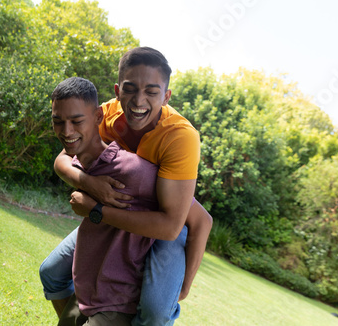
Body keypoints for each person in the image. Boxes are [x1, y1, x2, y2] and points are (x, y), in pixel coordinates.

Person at [40, 47, 213, 325]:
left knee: (156, 311)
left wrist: (184, 286)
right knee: (52, 271)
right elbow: (63, 158)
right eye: (130, 89)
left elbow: (186, 222)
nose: (138, 101)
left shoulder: (180, 137)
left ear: (166, 96)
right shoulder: (105, 116)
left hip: (165, 225)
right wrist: (90, 183)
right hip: (119, 211)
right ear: (118, 90)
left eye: (151, 92)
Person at [51, 76, 161, 325]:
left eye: (76, 121)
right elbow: (61, 162)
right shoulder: (78, 164)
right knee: (50, 273)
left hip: (117, 303)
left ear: (99, 117)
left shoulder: (133, 170)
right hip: (85, 295)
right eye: (58, 122)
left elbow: (189, 214)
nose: (66, 131)